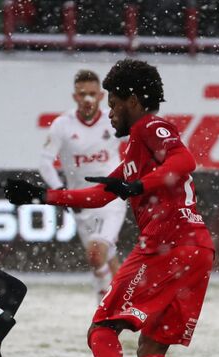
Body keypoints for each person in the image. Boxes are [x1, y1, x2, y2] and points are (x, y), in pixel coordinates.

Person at [0, 59, 214, 357]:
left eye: (113, 102)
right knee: (151, 349)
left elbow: (185, 160)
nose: (109, 110)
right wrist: (41, 196)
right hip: (196, 250)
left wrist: (139, 184)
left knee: (101, 331)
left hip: (165, 246)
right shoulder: (136, 143)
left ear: (133, 100)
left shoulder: (150, 127)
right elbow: (99, 195)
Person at [39, 69, 127, 303]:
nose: (87, 99)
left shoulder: (114, 119)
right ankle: (122, 305)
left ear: (101, 96)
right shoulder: (62, 125)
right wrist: (62, 194)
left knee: (96, 254)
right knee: (105, 257)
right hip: (81, 202)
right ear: (74, 97)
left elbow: (141, 142)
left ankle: (105, 307)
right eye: (82, 94)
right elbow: (45, 163)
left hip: (111, 198)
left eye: (92, 94)